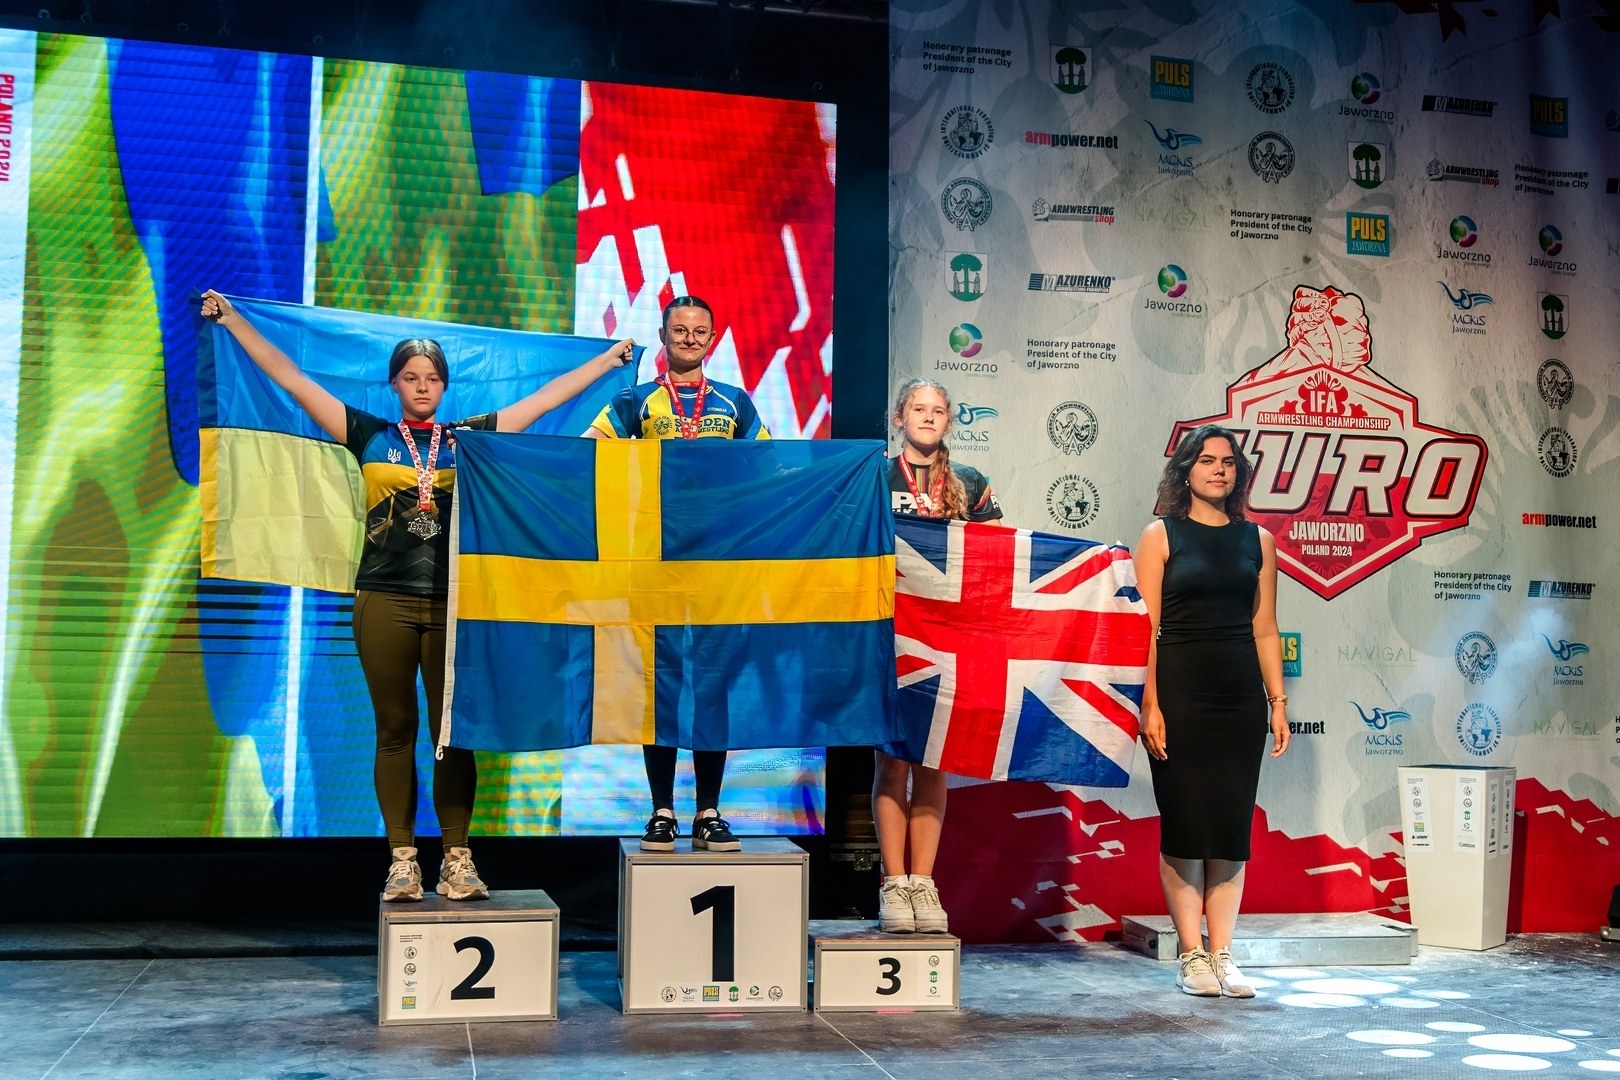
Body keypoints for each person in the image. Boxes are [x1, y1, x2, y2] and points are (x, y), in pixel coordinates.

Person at [200, 290, 632, 901]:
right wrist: (235, 321)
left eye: (432, 378)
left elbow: (541, 403)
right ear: (394, 384)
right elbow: (292, 380)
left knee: (453, 732)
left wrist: (606, 362)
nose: (422, 386)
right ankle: (402, 859)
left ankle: (458, 859)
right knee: (395, 728)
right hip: (383, 600)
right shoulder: (367, 433)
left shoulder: (469, 440)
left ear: (445, 386)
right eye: (411, 377)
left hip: (454, 605)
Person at [585, 295, 769, 853]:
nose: (689, 339)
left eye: (699, 331)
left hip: (717, 565)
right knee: (660, 685)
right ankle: (662, 809)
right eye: (680, 330)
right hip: (654, 561)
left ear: (712, 339)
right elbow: (590, 450)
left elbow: (765, 465)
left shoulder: (735, 402)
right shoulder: (636, 399)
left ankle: (709, 810)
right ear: (663, 336)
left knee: (713, 684)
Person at [1132, 423, 1290, 997]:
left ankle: (1223, 954)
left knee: (1228, 830)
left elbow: (1265, 628)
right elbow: (1144, 629)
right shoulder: (1160, 535)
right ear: (1185, 471)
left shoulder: (1258, 540)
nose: (1218, 469)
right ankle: (1191, 954)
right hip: (1178, 696)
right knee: (1185, 828)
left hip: (1240, 700)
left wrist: (1277, 702)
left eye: (1227, 461)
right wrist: (1150, 704)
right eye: (1206, 460)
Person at [875, 377, 1001, 933]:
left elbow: (998, 559)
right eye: (917, 409)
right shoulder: (876, 476)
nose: (928, 417)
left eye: (938, 410)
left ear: (950, 420)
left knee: (933, 759)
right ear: (899, 417)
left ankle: (923, 882)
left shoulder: (969, 481)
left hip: (948, 638)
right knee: (891, 761)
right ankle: (892, 882)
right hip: (888, 635)